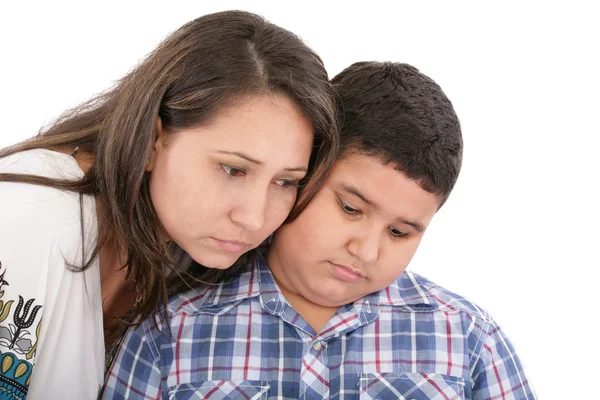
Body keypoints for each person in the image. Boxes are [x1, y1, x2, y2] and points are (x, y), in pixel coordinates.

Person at [103, 61, 536, 399]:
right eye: (350, 208)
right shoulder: (170, 333)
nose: (366, 251)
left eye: (401, 233)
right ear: (303, 171)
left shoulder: (468, 339)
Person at [0, 10, 339, 399]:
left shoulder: (185, 249)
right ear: (152, 139)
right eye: (232, 169)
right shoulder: (31, 217)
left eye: (286, 181)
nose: (254, 217)